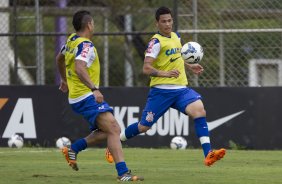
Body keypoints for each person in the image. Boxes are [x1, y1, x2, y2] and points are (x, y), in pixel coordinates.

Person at [117, 6, 226, 166]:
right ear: (157, 23)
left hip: (181, 90)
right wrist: (165, 74)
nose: (167, 24)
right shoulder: (155, 42)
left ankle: (208, 153)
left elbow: (178, 57)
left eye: (169, 21)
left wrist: (190, 66)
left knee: (199, 110)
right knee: (144, 126)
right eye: (163, 21)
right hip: (161, 92)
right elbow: (146, 68)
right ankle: (115, 143)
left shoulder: (176, 36)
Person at [56, 10, 143, 181]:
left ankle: (73, 149)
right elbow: (80, 67)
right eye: (93, 23)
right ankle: (123, 173)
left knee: (109, 131)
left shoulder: (72, 40)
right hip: (85, 95)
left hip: (76, 96)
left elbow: (59, 58)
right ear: (89, 25)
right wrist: (94, 88)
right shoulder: (86, 46)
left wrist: (64, 80)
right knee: (115, 129)